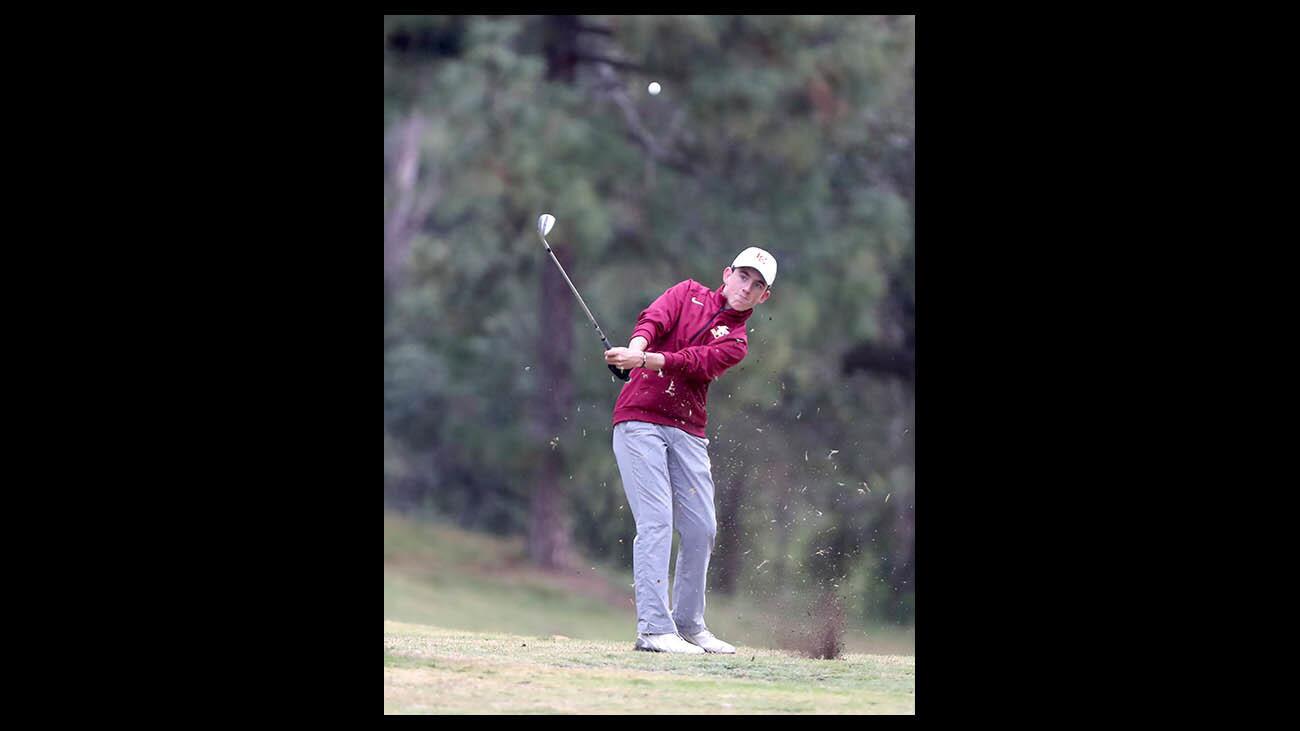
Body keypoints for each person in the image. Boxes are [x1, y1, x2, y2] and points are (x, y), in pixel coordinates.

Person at [603, 246, 777, 654]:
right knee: (657, 521)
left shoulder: (736, 342)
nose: (746, 288)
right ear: (727, 272)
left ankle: (688, 625)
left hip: (688, 431)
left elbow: (694, 362)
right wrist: (634, 350)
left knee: (701, 527)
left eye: (757, 285)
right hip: (639, 420)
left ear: (763, 297)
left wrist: (642, 359)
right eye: (743, 277)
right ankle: (653, 629)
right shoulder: (687, 293)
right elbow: (653, 319)